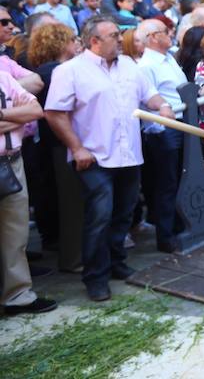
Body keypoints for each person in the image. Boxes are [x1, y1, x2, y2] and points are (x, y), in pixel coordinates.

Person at [44, 16, 175, 301]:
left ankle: (116, 264)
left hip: (129, 155)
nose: (121, 39)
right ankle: (95, 277)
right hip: (95, 158)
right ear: (94, 41)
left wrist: (162, 106)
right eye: (114, 35)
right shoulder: (70, 71)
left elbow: (148, 95)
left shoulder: (129, 64)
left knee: (123, 215)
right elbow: (54, 112)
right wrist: (76, 148)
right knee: (99, 217)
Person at [0, 67, 58, 315]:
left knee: (15, 232)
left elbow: (35, 111)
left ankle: (18, 297)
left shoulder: (2, 75)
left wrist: (2, 114)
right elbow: (26, 114)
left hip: (12, 162)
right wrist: (17, 117)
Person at [29, 23, 82, 272]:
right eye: (73, 39)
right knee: (70, 203)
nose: (77, 43)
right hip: (60, 144)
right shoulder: (54, 71)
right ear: (61, 42)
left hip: (55, 144)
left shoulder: (50, 70)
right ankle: (72, 260)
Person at [135, 19, 187, 253]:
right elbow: (148, 101)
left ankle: (178, 225)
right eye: (166, 32)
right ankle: (166, 235)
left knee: (179, 177)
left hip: (183, 123)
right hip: (164, 129)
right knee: (166, 183)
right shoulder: (146, 66)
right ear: (153, 37)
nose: (171, 34)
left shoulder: (169, 58)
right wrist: (158, 129)